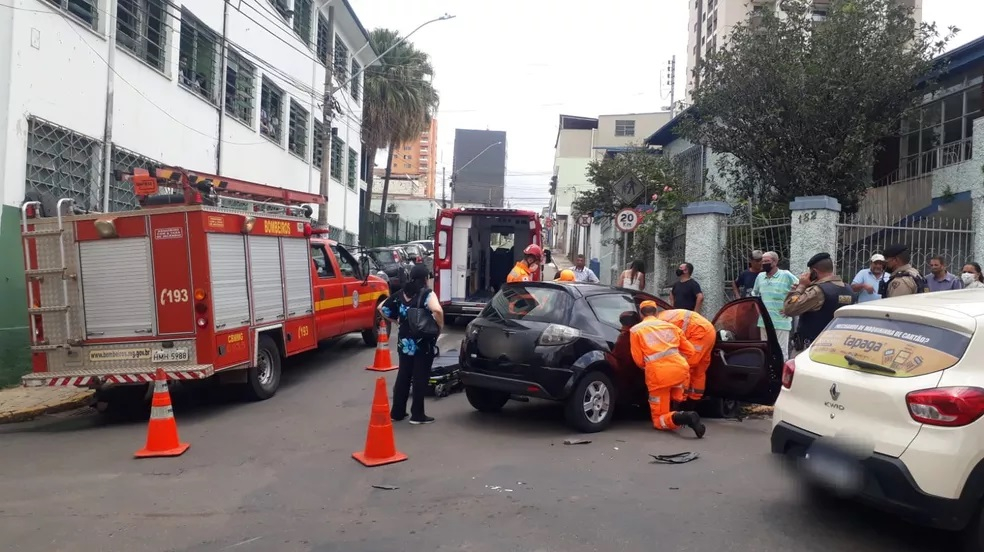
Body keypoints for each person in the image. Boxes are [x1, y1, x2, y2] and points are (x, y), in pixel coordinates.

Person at [629, 301, 705, 438]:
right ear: (657, 312)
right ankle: (677, 413)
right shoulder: (672, 327)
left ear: (641, 314)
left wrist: (649, 366)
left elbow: (638, 359)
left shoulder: (636, 330)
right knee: (675, 396)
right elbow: (690, 351)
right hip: (680, 370)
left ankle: (685, 417)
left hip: (659, 375)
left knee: (659, 420)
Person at [379, 264, 444, 425]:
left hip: (405, 342)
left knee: (404, 375)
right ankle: (417, 415)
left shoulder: (401, 293)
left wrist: (396, 321)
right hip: (422, 342)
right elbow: (437, 311)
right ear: (425, 279)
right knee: (420, 377)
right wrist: (439, 328)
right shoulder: (427, 294)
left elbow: (382, 308)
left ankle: (398, 412)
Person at [782, 253, 853, 356]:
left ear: (814, 272)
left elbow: (789, 309)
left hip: (812, 350)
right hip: (838, 347)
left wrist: (801, 287)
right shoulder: (848, 289)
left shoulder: (818, 291)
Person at [657, 309, 716, 401]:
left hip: (699, 332)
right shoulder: (663, 316)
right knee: (699, 367)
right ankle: (695, 398)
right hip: (707, 331)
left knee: (684, 364)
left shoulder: (656, 323)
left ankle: (680, 398)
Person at [751, 251, 798, 359]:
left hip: (781, 321)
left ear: (775, 262)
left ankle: (782, 375)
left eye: (767, 261)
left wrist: (791, 308)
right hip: (764, 322)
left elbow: (802, 290)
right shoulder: (760, 276)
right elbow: (755, 293)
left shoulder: (785, 275)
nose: (764, 264)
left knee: (781, 352)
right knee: (765, 351)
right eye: (762, 261)